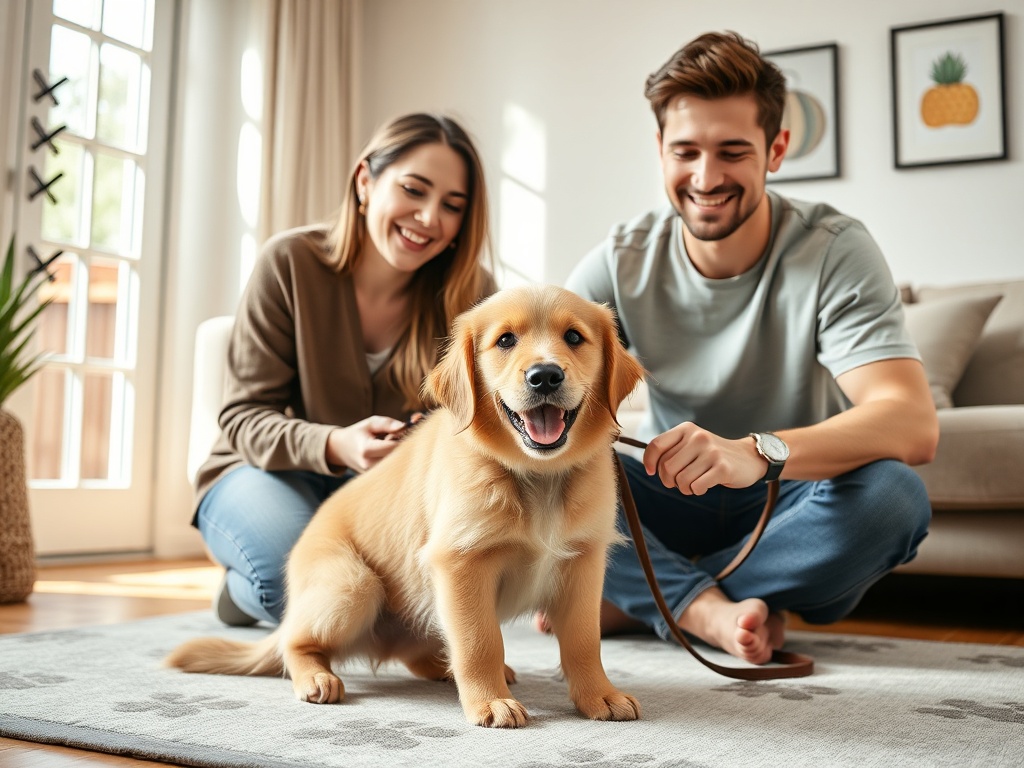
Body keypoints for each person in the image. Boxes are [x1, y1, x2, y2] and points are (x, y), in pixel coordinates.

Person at [565, 32, 938, 665]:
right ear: (660, 150)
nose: (706, 177)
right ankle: (711, 610)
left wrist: (756, 454)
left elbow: (911, 421)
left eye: (732, 151)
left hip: (789, 500)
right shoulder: (619, 260)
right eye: (685, 151)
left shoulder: (834, 249)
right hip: (668, 488)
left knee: (895, 498)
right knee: (549, 475)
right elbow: (546, 382)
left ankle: (644, 595)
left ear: (777, 150)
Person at [192, 113, 496, 626]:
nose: (428, 217)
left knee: (413, 603)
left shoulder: (473, 295)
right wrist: (336, 444)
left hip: (385, 498)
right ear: (365, 181)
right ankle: (242, 590)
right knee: (298, 593)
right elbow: (244, 417)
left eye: (452, 206)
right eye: (413, 190)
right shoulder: (288, 261)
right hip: (265, 471)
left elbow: (475, 420)